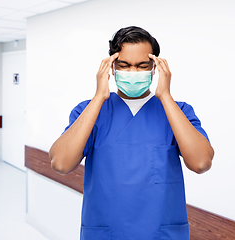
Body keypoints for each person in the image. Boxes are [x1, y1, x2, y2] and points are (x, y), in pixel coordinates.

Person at [49, 26, 214, 240]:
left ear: (156, 67)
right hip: (107, 232)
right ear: (111, 67)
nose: (133, 73)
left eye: (142, 66)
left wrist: (165, 96)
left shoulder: (178, 111)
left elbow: (201, 163)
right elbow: (61, 164)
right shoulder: (89, 112)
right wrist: (99, 96)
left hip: (161, 233)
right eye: (124, 65)